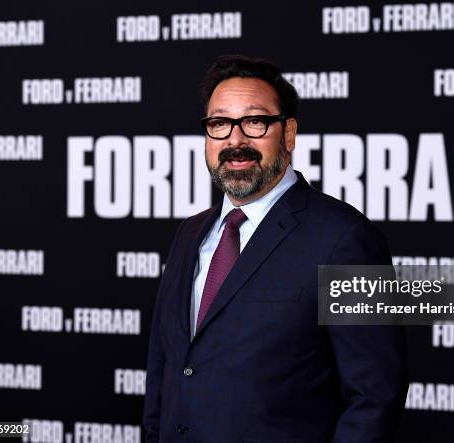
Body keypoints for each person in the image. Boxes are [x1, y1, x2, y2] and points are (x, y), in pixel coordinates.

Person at [144, 54, 408, 443]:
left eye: (254, 121)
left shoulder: (346, 239)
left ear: (288, 134)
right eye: (219, 123)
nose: (235, 140)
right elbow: (165, 371)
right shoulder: (189, 235)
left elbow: (375, 396)